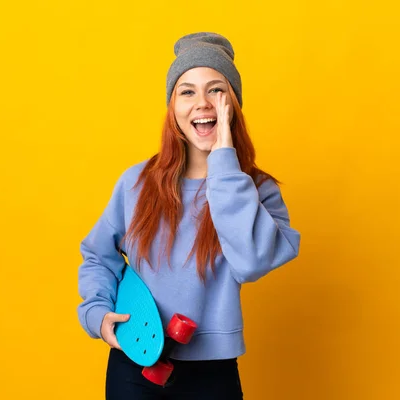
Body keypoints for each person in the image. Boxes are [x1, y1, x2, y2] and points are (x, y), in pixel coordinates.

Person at [77, 32, 301, 400]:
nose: (202, 103)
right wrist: (97, 313)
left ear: (233, 104)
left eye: (216, 90)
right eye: (187, 91)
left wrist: (225, 165)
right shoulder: (136, 183)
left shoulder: (257, 191)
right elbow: (97, 255)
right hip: (134, 365)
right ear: (172, 107)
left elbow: (251, 262)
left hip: (213, 374)